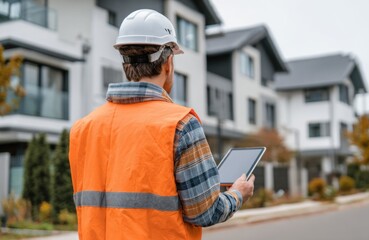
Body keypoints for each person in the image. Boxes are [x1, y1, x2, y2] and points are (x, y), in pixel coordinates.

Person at [69, 9, 255, 240]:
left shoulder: (83, 128)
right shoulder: (180, 124)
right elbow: (206, 212)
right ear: (168, 62)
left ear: (125, 63)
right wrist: (238, 193)